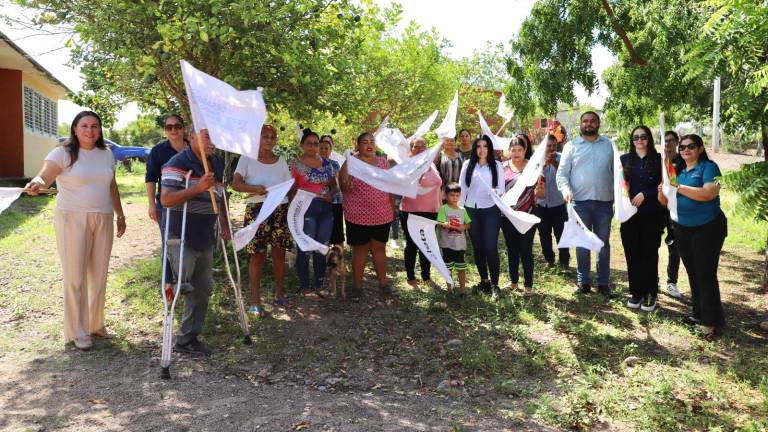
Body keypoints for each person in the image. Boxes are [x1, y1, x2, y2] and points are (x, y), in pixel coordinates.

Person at [25, 111, 126, 351]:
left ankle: (95, 323)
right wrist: (37, 183)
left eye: (94, 126)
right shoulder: (62, 153)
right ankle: (78, 331)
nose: (89, 131)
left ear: (100, 130)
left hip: (103, 217)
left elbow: (112, 185)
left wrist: (120, 214)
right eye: (84, 126)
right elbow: (44, 175)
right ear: (75, 128)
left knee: (99, 273)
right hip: (72, 219)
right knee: (76, 275)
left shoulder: (107, 154)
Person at [160, 128, 228, 355]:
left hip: (205, 236)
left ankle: (187, 339)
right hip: (181, 236)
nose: (213, 142)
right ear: (192, 138)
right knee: (184, 286)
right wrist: (198, 188)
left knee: (203, 288)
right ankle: (175, 286)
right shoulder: (177, 162)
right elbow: (167, 199)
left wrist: (226, 226)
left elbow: (221, 196)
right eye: (207, 136)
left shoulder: (216, 163)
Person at [658, 134, 727, 338]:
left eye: (691, 146)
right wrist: (663, 189)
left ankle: (711, 323)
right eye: (682, 147)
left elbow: (708, 193)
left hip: (708, 227)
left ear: (700, 148)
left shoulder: (709, 167)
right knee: (693, 273)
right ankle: (698, 314)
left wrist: (678, 187)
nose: (686, 150)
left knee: (705, 273)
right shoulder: (677, 170)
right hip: (682, 227)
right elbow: (664, 201)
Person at [232, 124, 293, 316]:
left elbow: (288, 186)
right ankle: (255, 302)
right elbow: (236, 184)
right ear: (257, 138)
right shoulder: (247, 159)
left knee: (279, 253)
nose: (269, 139)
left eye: (272, 136)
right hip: (257, 210)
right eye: (265, 136)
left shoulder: (281, 161)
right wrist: (254, 189)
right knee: (257, 255)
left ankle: (279, 293)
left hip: (279, 209)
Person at [556, 111, 615, 298]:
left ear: (598, 124)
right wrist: (565, 191)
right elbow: (562, 174)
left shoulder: (609, 145)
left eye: (593, 121)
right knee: (582, 244)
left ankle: (603, 283)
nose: (589, 124)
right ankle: (583, 282)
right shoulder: (571, 146)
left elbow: (618, 173)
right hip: (578, 203)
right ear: (580, 124)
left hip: (604, 203)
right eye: (585, 121)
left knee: (602, 244)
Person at [339, 132, 395, 298]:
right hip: (357, 217)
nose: (369, 145)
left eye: (372, 141)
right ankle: (357, 288)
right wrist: (346, 185)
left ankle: (383, 285)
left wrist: (391, 208)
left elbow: (390, 187)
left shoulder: (383, 163)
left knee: (379, 249)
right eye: (365, 142)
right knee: (360, 250)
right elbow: (343, 187)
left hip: (382, 215)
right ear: (358, 145)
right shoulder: (350, 163)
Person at [289, 129, 339, 299]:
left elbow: (334, 185)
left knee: (321, 247)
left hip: (325, 209)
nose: (312, 147)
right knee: (304, 247)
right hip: (304, 209)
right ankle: (304, 287)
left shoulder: (327, 164)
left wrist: (330, 195)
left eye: (315, 144)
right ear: (302, 145)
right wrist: (292, 215)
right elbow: (291, 189)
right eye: (309, 143)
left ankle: (319, 285)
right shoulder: (294, 164)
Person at [620, 126, 665, 312]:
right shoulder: (624, 160)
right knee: (632, 253)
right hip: (629, 215)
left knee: (649, 253)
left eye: (643, 136)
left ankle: (650, 294)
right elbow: (618, 184)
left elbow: (666, 185)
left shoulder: (659, 160)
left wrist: (646, 193)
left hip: (651, 214)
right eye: (636, 137)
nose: (639, 140)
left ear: (649, 139)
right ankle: (636, 292)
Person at [146, 114, 187, 297]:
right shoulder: (158, 151)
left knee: (189, 244)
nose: (173, 130)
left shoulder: (194, 148)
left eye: (177, 126)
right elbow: (150, 179)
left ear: (183, 128)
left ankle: (185, 283)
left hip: (192, 206)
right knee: (169, 244)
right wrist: (151, 205)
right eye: (169, 127)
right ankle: (168, 286)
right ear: (165, 130)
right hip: (166, 205)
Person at [459, 135, 504, 298]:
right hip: (471, 210)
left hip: (490, 209)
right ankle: (484, 281)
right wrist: (460, 211)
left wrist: (494, 192)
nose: (482, 149)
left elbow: (501, 189)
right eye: (479, 146)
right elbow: (462, 190)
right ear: (474, 148)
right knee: (478, 248)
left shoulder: (497, 165)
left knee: (490, 247)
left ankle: (495, 285)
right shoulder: (467, 165)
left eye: (485, 146)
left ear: (489, 148)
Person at [500, 135, 543, 296]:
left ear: (525, 150)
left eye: (520, 149)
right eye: (513, 150)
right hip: (508, 216)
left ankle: (529, 285)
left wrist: (539, 189)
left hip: (528, 214)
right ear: (509, 151)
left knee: (525, 249)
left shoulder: (534, 168)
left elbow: (541, 193)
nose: (516, 153)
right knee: (512, 249)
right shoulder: (503, 167)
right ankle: (513, 282)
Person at [400, 137, 443, 289]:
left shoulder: (431, 163)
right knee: (412, 245)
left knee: (427, 244)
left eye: (423, 146)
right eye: (416, 147)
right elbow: (406, 184)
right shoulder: (406, 165)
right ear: (410, 150)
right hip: (411, 211)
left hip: (431, 212)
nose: (420, 149)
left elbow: (438, 187)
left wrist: (440, 207)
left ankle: (426, 276)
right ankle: (411, 278)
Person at [534, 134, 569, 269]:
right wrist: (543, 166)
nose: (552, 148)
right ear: (544, 146)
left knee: (561, 233)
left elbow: (566, 175)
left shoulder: (562, 158)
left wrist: (554, 163)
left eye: (554, 145)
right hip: (541, 204)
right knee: (544, 233)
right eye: (549, 146)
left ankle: (564, 261)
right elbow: (532, 178)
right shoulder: (537, 160)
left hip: (558, 203)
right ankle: (549, 259)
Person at [437, 183, 472, 295]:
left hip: (460, 245)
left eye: (457, 195)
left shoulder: (462, 210)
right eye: (452, 195)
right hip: (447, 244)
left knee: (461, 268)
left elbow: (468, 223)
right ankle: (449, 289)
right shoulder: (443, 209)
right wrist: (444, 224)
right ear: (446, 196)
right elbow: (440, 223)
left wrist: (464, 227)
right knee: (448, 268)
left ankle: (462, 289)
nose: (455, 198)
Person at [662, 131, 683, 298]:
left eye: (670, 141)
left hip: (675, 209)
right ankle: (651, 279)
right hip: (657, 208)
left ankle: (671, 282)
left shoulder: (682, 161)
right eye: (664, 141)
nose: (667, 144)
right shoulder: (657, 160)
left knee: (674, 247)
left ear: (676, 142)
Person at [319, 136, 345, 247]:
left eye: (326, 148)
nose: (324, 151)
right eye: (321, 148)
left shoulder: (334, 164)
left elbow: (338, 183)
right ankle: (324, 260)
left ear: (330, 150)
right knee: (323, 234)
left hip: (335, 202)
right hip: (319, 202)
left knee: (337, 234)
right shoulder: (313, 163)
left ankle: (339, 261)